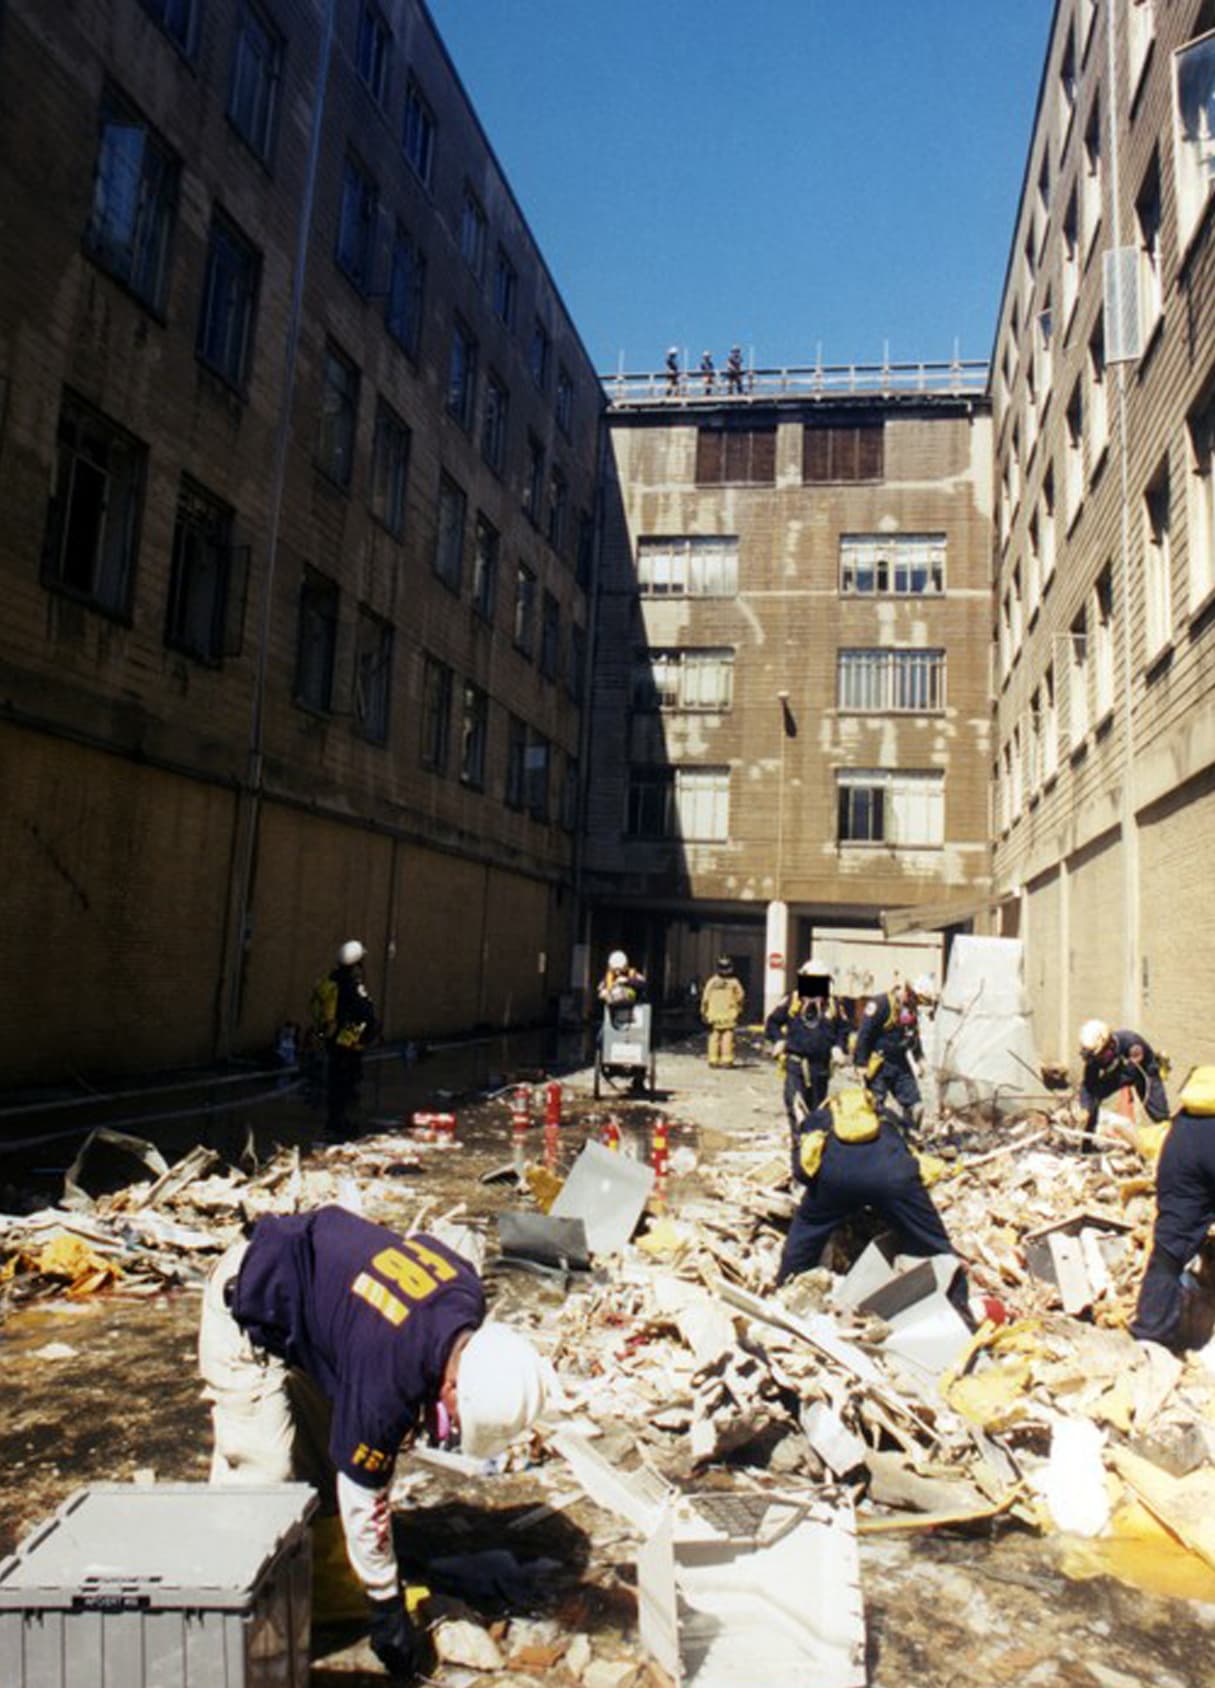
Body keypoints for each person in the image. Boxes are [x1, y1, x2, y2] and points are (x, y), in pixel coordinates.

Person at [198, 1205, 553, 1681]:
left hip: (310, 1299)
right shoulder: (388, 1377)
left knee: (323, 1458)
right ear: (453, 1390)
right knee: (265, 1479)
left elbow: (421, 1254)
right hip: (247, 1304)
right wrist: (386, 1605)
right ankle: (220, 1616)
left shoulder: (464, 1295)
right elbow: (364, 1493)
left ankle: (317, 1583)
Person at [777, 1076, 964, 1289]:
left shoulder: (819, 1119)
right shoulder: (888, 1118)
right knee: (932, 1241)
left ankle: (785, 1286)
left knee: (807, 1231)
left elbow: (802, 1170)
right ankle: (957, 1303)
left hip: (836, 1181)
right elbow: (913, 1154)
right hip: (893, 1179)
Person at [1131, 1066, 1215, 1349]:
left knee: (1168, 1254)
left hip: (1179, 1165)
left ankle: (1150, 1331)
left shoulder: (1184, 1116)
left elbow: (1151, 1138)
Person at [765, 958, 848, 1125]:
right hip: (796, 1066)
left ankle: (812, 1147)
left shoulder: (833, 1005)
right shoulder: (792, 1002)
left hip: (821, 1068)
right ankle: (798, 1148)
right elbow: (772, 1022)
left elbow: (843, 1029)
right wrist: (779, 1040)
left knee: (817, 1113)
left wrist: (839, 1047)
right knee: (796, 1108)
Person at [311, 940, 380, 1139]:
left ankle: (334, 1120)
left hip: (333, 1039)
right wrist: (369, 1033)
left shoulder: (330, 981)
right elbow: (366, 1012)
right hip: (349, 1042)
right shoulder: (352, 986)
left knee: (335, 1081)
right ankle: (340, 1124)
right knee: (347, 1081)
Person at [852, 975, 938, 1133]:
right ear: (910, 993)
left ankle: (909, 1138)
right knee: (875, 1109)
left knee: (916, 1108)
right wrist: (860, 1063)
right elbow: (864, 1033)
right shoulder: (881, 1004)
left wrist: (919, 1059)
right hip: (879, 1064)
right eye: (917, 1001)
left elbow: (913, 1037)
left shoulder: (909, 1012)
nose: (917, 1006)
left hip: (900, 1064)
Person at [1078, 1019, 1170, 1148]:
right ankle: (1086, 1144)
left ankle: (1170, 1144)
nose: (1099, 1060)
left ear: (1109, 1045)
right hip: (1120, 1072)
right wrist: (1085, 1107)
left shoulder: (1133, 1045)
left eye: (1100, 1056)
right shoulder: (1095, 1055)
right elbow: (1088, 1084)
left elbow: (1128, 1075)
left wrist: (1103, 1088)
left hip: (1143, 1072)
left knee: (1159, 1112)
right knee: (1093, 1098)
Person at [701, 955, 745, 1068]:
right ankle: (726, 1060)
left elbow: (705, 998)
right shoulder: (734, 982)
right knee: (727, 1037)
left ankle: (713, 1060)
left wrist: (704, 1012)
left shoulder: (712, 982)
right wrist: (739, 1010)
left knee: (714, 1037)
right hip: (729, 1015)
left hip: (713, 1015)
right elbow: (740, 997)